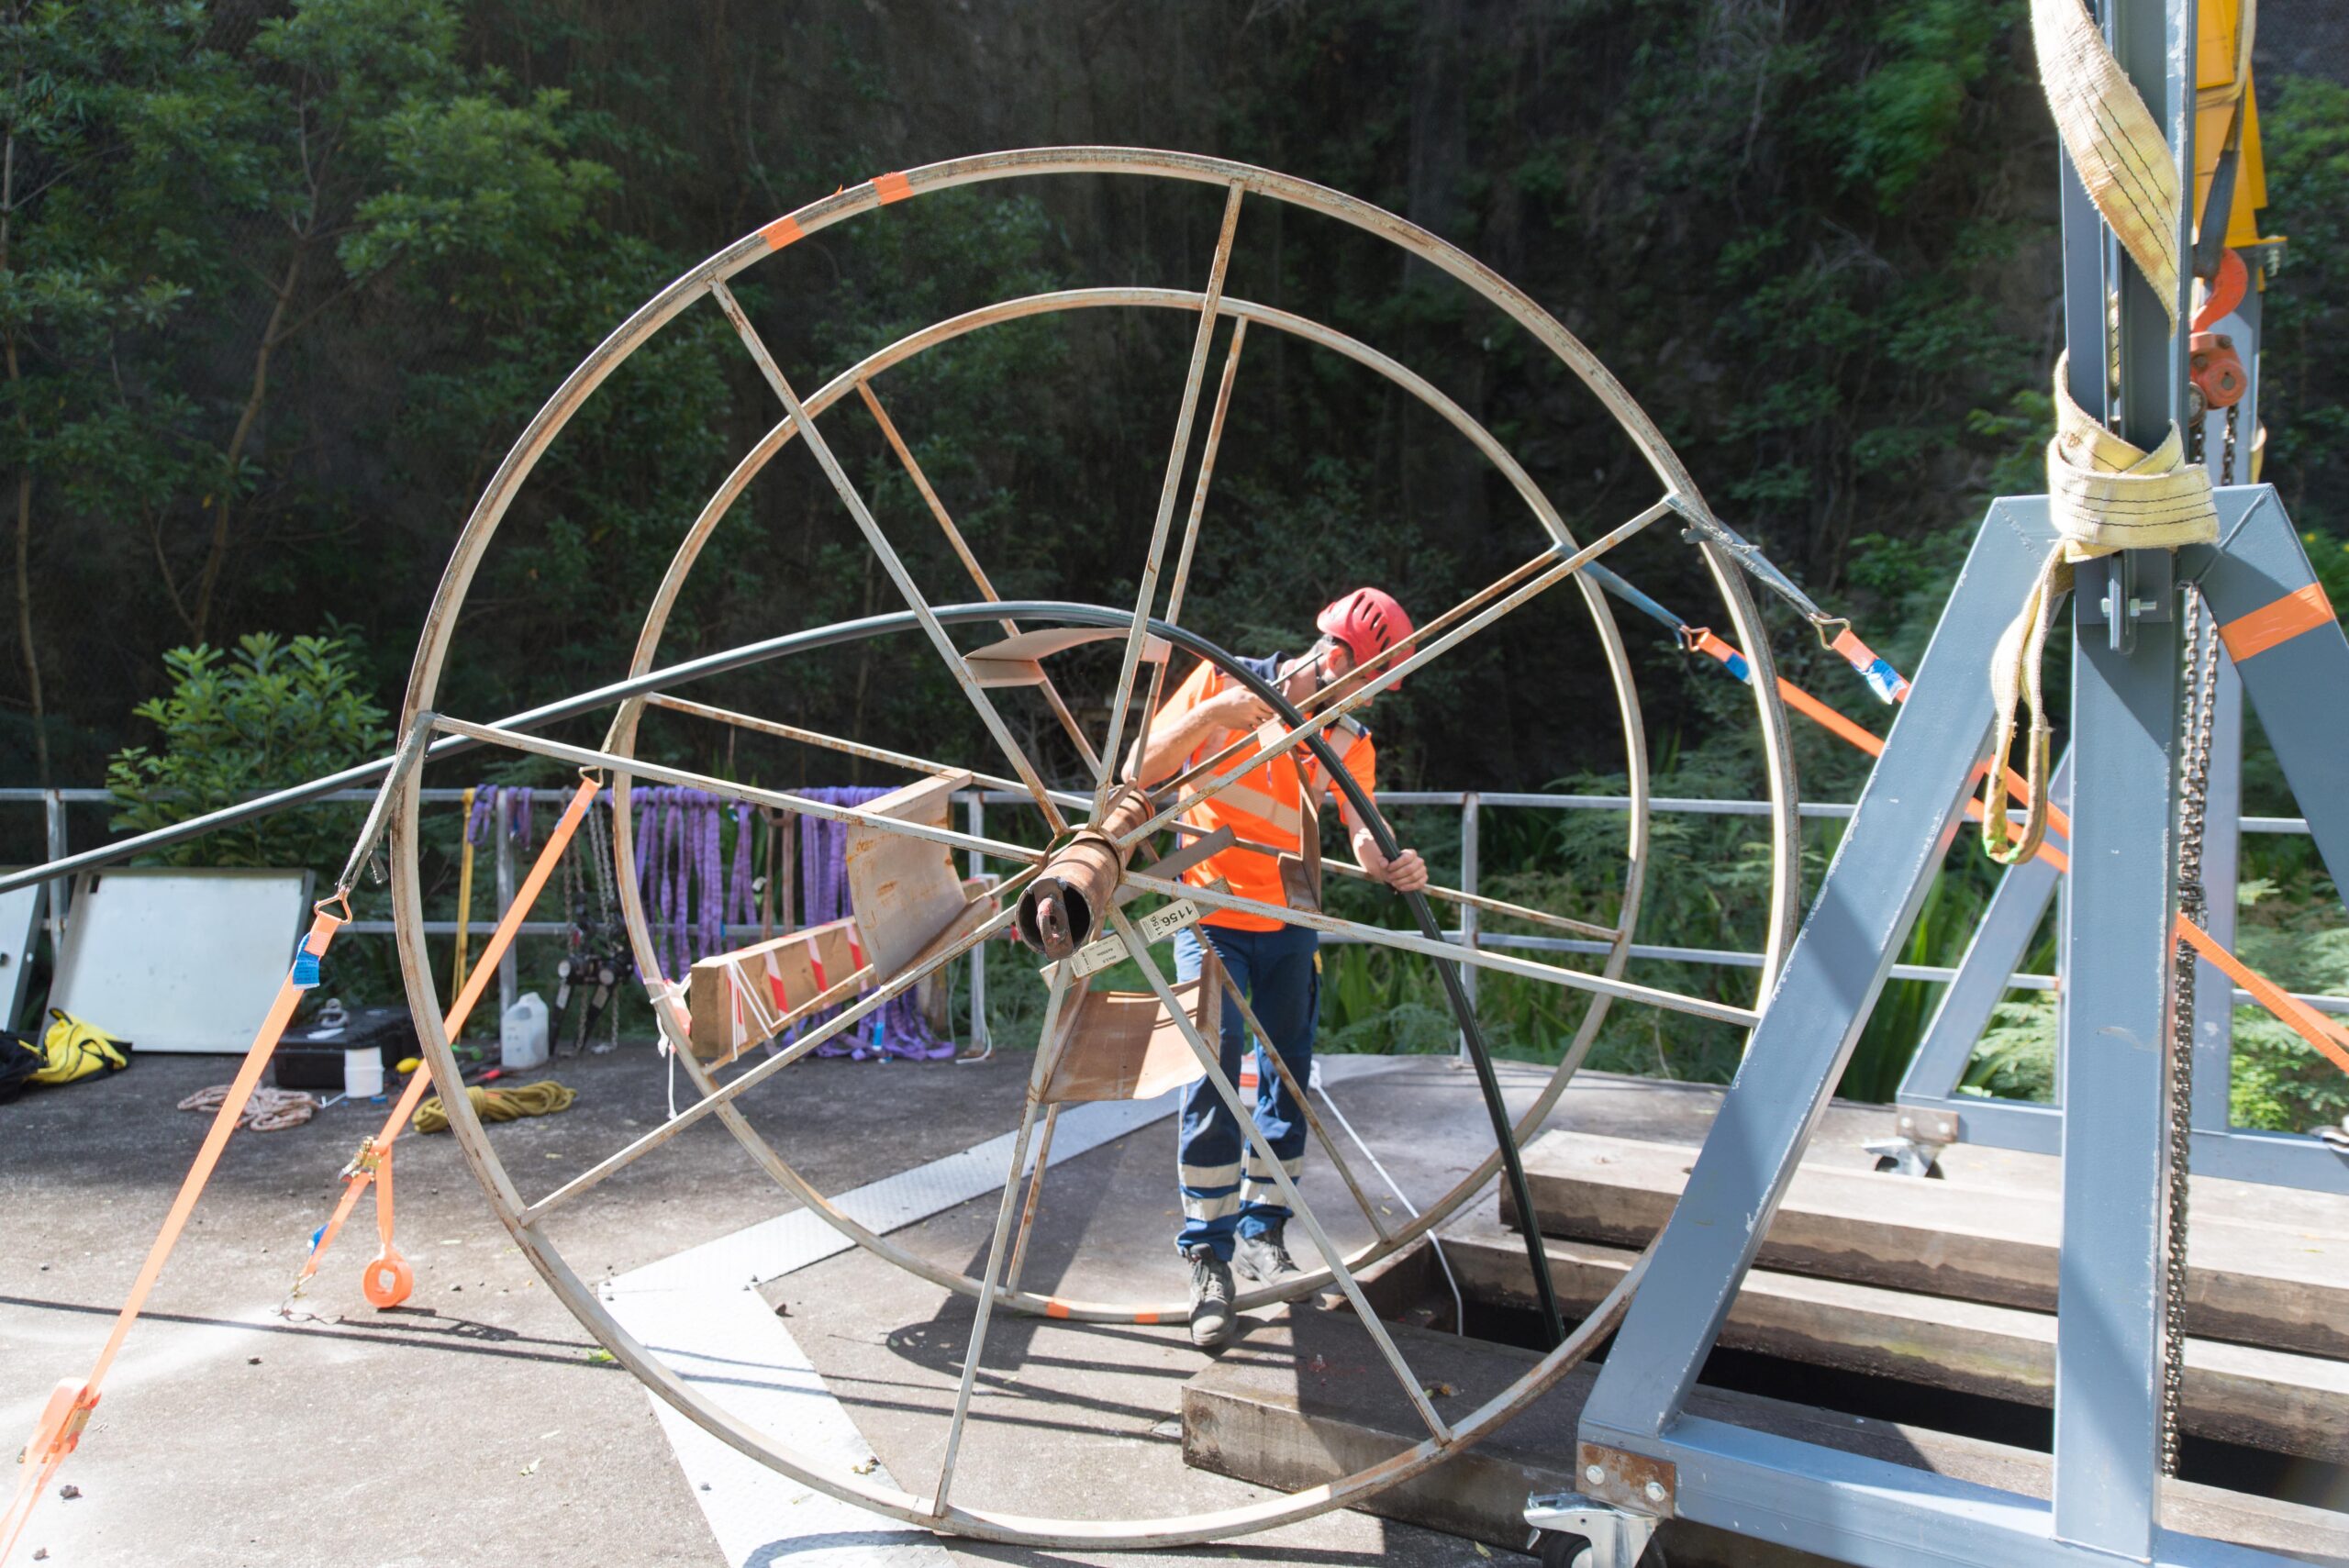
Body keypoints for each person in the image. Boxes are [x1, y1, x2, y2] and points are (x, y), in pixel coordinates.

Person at [1124, 587, 1429, 1348]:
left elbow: (1360, 827)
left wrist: (1390, 862)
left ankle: (1265, 1229)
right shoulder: (1219, 680)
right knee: (1214, 1069)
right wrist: (1211, 716)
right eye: (1367, 679)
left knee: (1288, 1072)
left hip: (1291, 916)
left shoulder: (1347, 738)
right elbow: (1140, 769)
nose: (1367, 697)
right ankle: (1208, 1255)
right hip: (1208, 910)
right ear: (1336, 654)